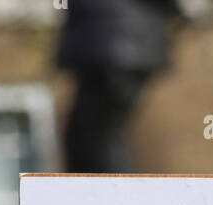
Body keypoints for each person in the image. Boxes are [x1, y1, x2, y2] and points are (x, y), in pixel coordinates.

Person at [56, 0, 178, 174]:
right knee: (91, 136)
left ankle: (113, 195)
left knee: (100, 136)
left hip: (112, 47)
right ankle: (103, 193)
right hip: (113, 45)